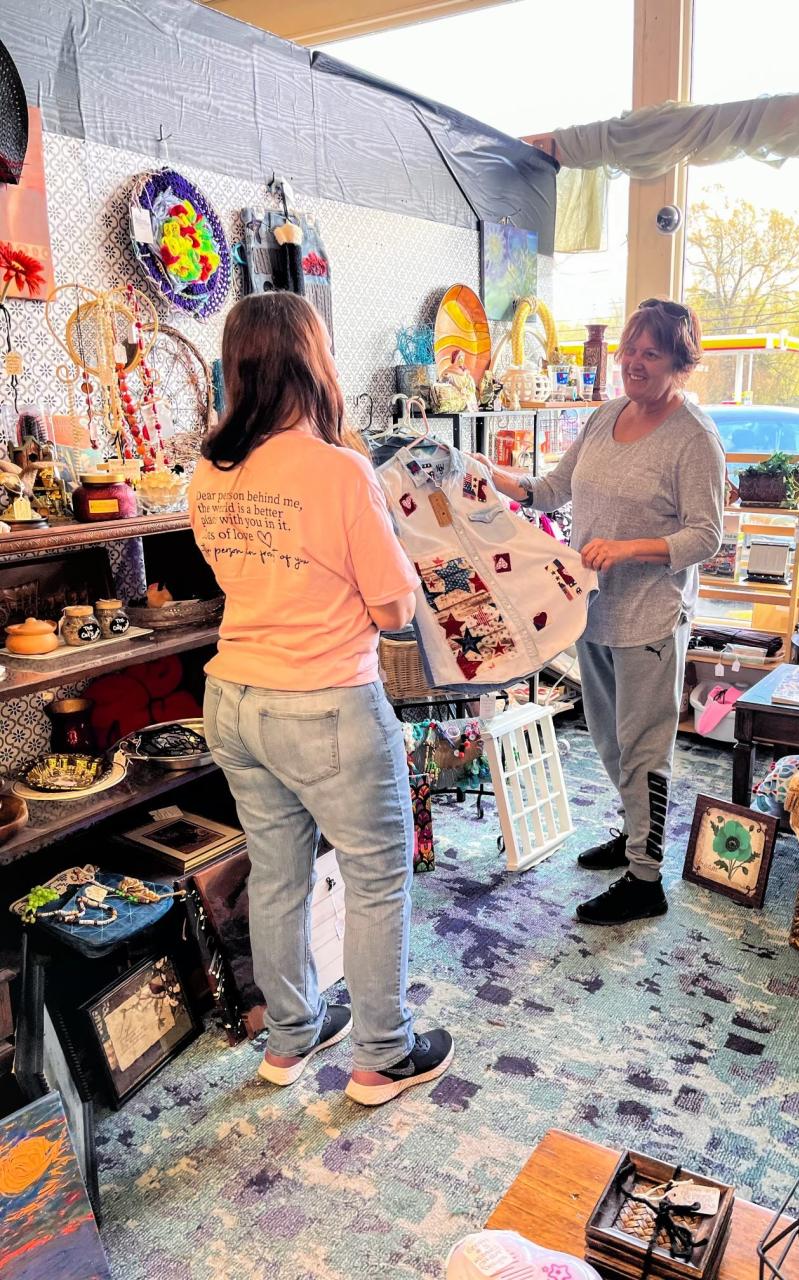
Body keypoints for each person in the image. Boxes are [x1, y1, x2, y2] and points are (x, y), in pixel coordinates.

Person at [187, 292, 453, 1104]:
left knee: (276, 875)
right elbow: (393, 610)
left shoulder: (209, 468)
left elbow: (241, 576)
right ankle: (381, 1056)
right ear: (313, 362)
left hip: (234, 695)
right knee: (376, 878)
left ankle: (290, 1037)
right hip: (327, 697)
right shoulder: (340, 472)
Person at [477, 298, 724, 925]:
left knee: (645, 746)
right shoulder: (607, 415)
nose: (633, 364)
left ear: (679, 362)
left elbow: (706, 536)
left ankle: (646, 881)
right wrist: (497, 477)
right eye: (628, 351)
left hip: (650, 616)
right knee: (612, 743)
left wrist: (628, 548)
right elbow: (556, 488)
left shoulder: (694, 438)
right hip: (593, 609)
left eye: (651, 354)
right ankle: (631, 835)